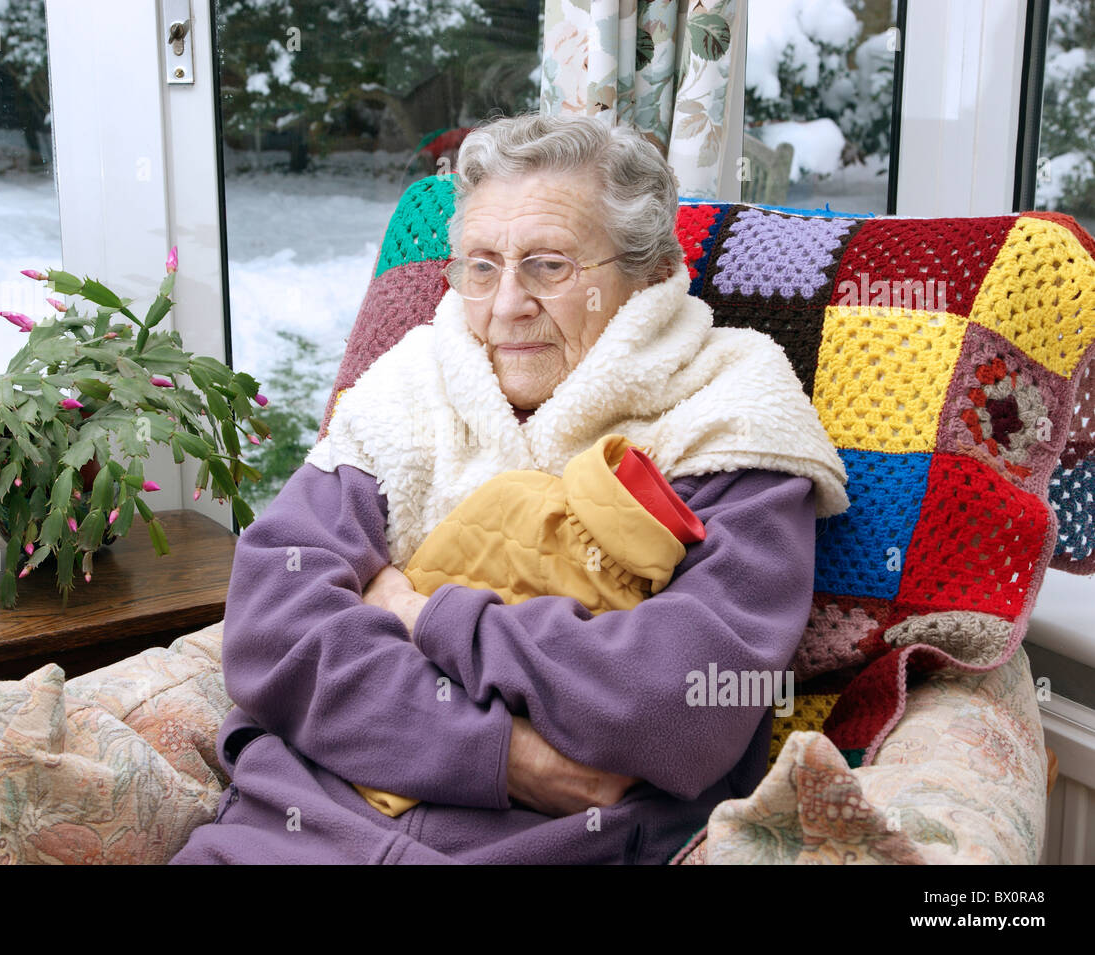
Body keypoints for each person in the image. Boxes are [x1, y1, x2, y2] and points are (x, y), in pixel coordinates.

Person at [171, 112, 848, 865]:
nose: (505, 306)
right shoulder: (412, 383)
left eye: (550, 266)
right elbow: (274, 626)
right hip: (279, 839)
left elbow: (685, 697)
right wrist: (505, 753)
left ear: (652, 273)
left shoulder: (728, 410)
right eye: (482, 265)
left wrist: (417, 611)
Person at [353, 431, 706, 817]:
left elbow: (676, 706)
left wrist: (411, 612)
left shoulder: (739, 437)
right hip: (322, 801)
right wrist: (505, 755)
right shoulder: (379, 414)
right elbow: (284, 614)